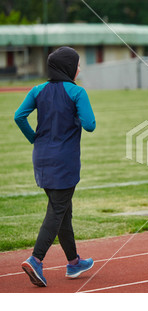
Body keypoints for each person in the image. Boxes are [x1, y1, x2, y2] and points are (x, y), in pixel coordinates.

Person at [14, 47, 96, 287]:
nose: (79, 68)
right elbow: (90, 125)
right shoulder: (77, 92)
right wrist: (73, 117)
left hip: (40, 158)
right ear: (68, 67)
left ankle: (74, 262)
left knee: (63, 212)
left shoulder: (37, 90)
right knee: (57, 211)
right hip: (65, 161)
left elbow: (19, 116)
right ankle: (36, 259)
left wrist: (34, 137)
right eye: (77, 64)